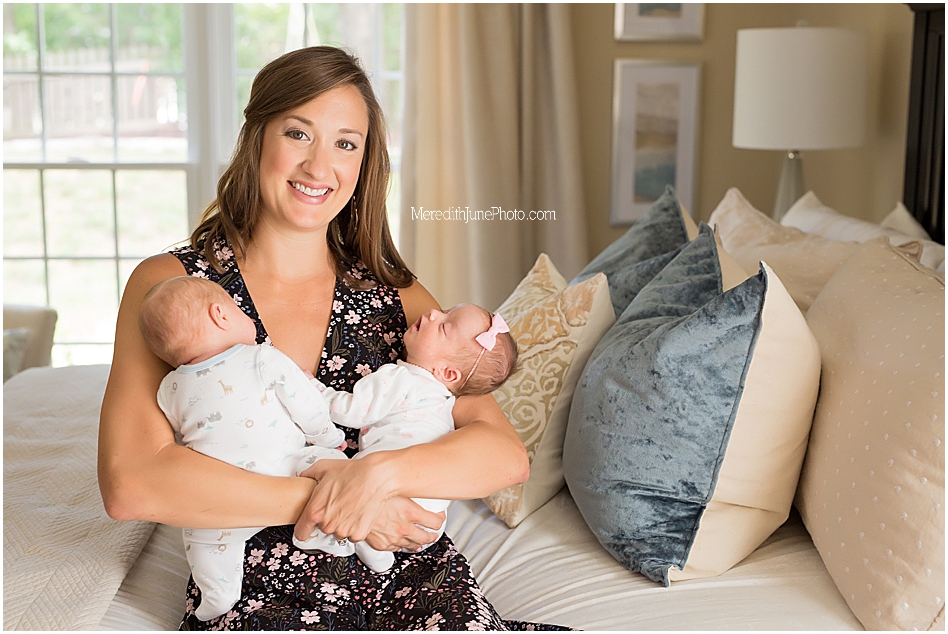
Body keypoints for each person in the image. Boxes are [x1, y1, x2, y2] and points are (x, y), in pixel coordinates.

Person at [98, 45, 564, 630]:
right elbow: (130, 484)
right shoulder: (173, 286)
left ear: (365, 164)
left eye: (346, 143)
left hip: (411, 582)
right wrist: (338, 503)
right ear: (256, 138)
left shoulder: (398, 297)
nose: (320, 168)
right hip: (257, 592)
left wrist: (379, 477)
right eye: (299, 133)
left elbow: (504, 456)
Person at [139, 275, 350, 621]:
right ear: (220, 315)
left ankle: (217, 594)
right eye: (239, 310)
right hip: (289, 467)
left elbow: (178, 437)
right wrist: (327, 436)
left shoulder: (168, 389)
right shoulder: (261, 358)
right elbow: (305, 403)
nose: (247, 315)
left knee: (202, 538)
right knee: (337, 467)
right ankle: (326, 534)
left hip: (225, 496)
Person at [301, 304, 518, 573]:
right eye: (445, 310)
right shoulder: (445, 402)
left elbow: (350, 411)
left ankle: (355, 543)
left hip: (382, 493)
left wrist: (313, 388)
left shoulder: (400, 378)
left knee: (320, 461)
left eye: (444, 326)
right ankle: (377, 556)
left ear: (448, 373)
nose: (433, 313)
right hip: (429, 521)